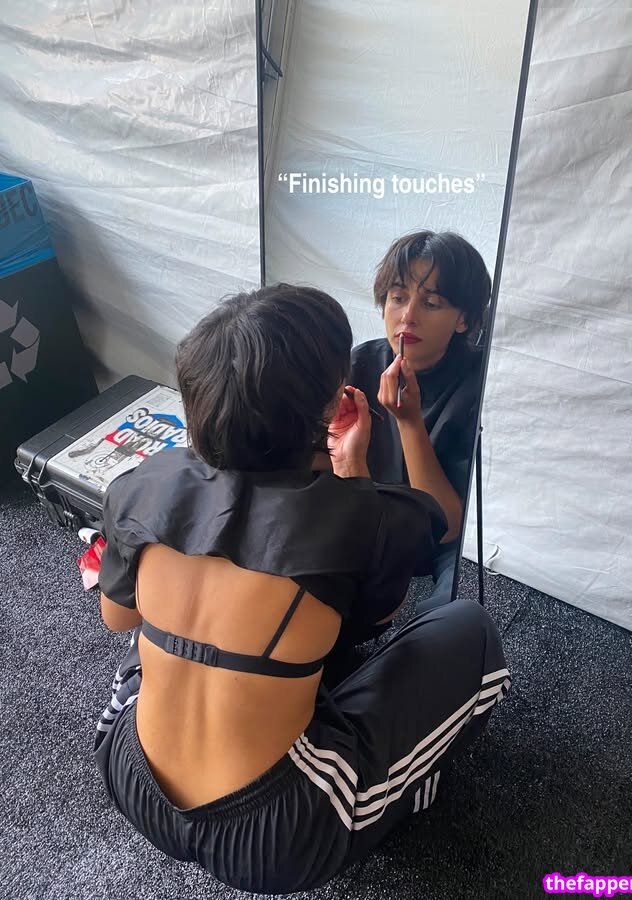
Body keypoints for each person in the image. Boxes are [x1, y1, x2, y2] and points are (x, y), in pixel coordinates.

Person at [93, 284, 509, 894]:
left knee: (158, 635)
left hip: (127, 773)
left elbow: (116, 618)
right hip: (277, 836)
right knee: (469, 630)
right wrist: (354, 473)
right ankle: (400, 794)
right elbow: (380, 617)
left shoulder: (143, 482)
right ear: (332, 401)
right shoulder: (362, 516)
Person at [350, 230, 492, 615]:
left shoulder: (481, 382)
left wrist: (409, 422)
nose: (408, 316)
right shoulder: (360, 364)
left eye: (431, 303)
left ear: (464, 320)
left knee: (458, 607)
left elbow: (448, 528)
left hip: (439, 535)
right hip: (371, 513)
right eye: (398, 297)